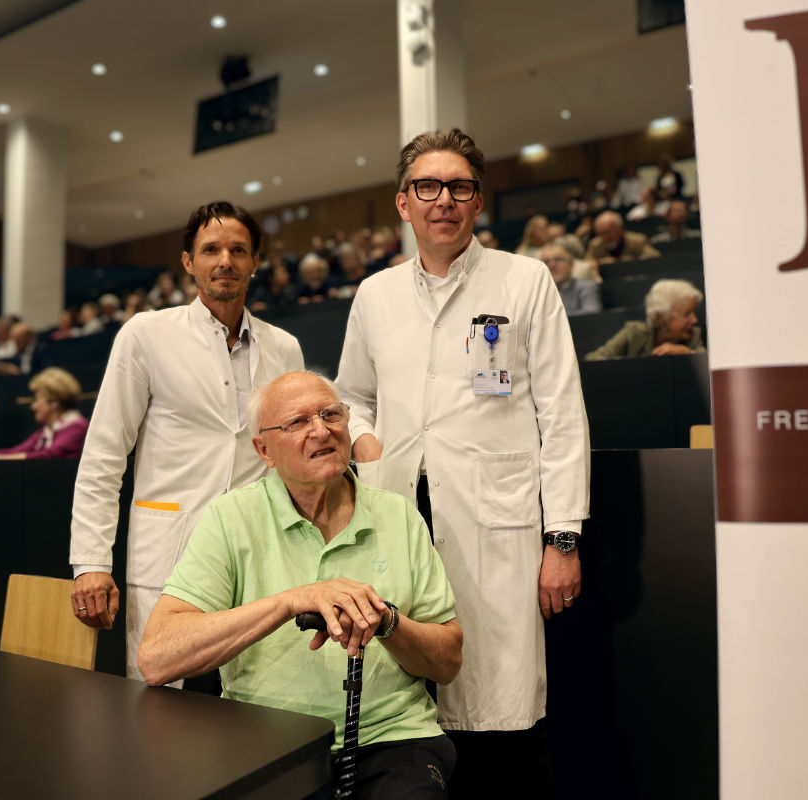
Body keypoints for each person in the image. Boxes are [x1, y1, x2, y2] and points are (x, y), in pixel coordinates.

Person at [335, 129, 591, 798]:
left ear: (478, 202)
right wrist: (363, 439)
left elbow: (562, 415)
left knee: (498, 708)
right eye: (428, 186)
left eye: (459, 187)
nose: (443, 199)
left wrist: (562, 537)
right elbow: (351, 397)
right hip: (397, 517)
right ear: (403, 203)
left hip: (495, 524)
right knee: (408, 709)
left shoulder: (524, 280)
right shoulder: (375, 295)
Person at [138, 371, 461, 796]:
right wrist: (291, 601)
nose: (321, 430)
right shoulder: (232, 518)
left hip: (392, 739)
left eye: (331, 414)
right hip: (263, 742)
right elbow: (157, 658)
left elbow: (448, 662)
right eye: (298, 422)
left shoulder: (397, 515)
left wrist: (386, 622)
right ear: (264, 450)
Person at [69, 201, 305, 679]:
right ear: (188, 261)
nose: (225, 261)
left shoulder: (284, 347)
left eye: (239, 250)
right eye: (211, 249)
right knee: (161, 702)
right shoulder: (146, 334)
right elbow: (104, 455)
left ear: (255, 263)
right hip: (171, 549)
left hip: (257, 550)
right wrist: (91, 562)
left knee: (258, 699)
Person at [0, 367, 89, 460]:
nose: (33, 406)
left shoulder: (77, 427)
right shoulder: (45, 432)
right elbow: (15, 451)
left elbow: (50, 456)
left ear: (54, 402)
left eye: (37, 400)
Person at [585, 278, 705, 360]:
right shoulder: (634, 332)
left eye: (694, 313)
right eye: (687, 314)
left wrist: (687, 354)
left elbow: (706, 362)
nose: (694, 320)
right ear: (660, 317)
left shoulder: (693, 336)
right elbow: (593, 359)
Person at [539, 243, 603, 316]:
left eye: (558, 260)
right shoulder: (538, 292)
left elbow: (591, 313)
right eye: (546, 262)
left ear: (571, 265)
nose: (552, 265)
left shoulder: (586, 287)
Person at [585, 210, 661, 264]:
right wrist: (599, 262)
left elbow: (654, 256)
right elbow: (586, 263)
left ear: (620, 228)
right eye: (601, 233)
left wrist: (628, 262)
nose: (605, 237)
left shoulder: (637, 240)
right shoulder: (595, 244)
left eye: (608, 232)